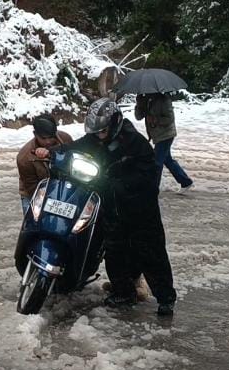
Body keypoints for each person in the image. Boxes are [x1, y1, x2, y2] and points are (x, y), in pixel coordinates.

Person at [36, 99, 177, 316]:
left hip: (140, 210)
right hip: (111, 208)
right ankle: (123, 292)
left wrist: (119, 183)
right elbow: (78, 146)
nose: (98, 136)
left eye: (102, 131)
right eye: (96, 132)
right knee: (114, 252)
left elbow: (149, 179)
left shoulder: (136, 144)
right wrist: (55, 152)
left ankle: (165, 298)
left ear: (115, 123)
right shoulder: (95, 139)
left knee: (151, 253)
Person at [136, 92, 194, 193]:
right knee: (168, 160)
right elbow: (139, 116)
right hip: (157, 135)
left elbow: (170, 119)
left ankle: (153, 188)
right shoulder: (146, 100)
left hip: (166, 135)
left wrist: (155, 120)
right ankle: (185, 181)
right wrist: (139, 104)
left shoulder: (164, 100)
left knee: (157, 162)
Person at [17, 115, 72, 214]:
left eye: (51, 137)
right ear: (35, 134)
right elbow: (32, 188)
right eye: (43, 138)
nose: (48, 141)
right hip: (33, 193)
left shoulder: (66, 139)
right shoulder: (24, 157)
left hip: (63, 188)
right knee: (34, 224)